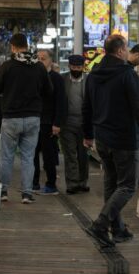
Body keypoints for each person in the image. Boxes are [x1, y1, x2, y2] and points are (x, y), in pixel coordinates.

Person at [83, 34, 139, 247]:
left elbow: (86, 107)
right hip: (124, 138)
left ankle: (118, 229)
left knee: (111, 184)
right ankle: (100, 225)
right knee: (127, 186)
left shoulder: (93, 75)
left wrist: (88, 135)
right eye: (126, 47)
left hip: (102, 138)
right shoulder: (127, 75)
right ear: (121, 51)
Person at [0, 33, 52, 204]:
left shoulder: (8, 66)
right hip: (33, 118)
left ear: (13, 47)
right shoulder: (39, 67)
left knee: (6, 156)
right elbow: (49, 91)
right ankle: (26, 193)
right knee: (28, 157)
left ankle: (3, 192)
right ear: (27, 45)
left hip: (11, 118)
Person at [33, 50, 67, 195]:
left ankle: (51, 184)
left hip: (49, 123)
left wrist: (57, 123)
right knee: (32, 155)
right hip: (33, 121)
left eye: (44, 58)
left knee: (49, 156)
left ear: (50, 61)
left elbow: (61, 102)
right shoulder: (32, 77)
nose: (41, 61)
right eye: (38, 59)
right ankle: (33, 183)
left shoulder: (56, 78)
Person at [60, 54, 89, 194]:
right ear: (69, 66)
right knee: (70, 154)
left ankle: (83, 182)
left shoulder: (89, 80)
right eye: (73, 67)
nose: (76, 69)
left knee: (83, 155)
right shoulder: (62, 79)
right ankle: (72, 183)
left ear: (83, 67)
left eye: (78, 67)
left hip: (85, 123)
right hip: (67, 123)